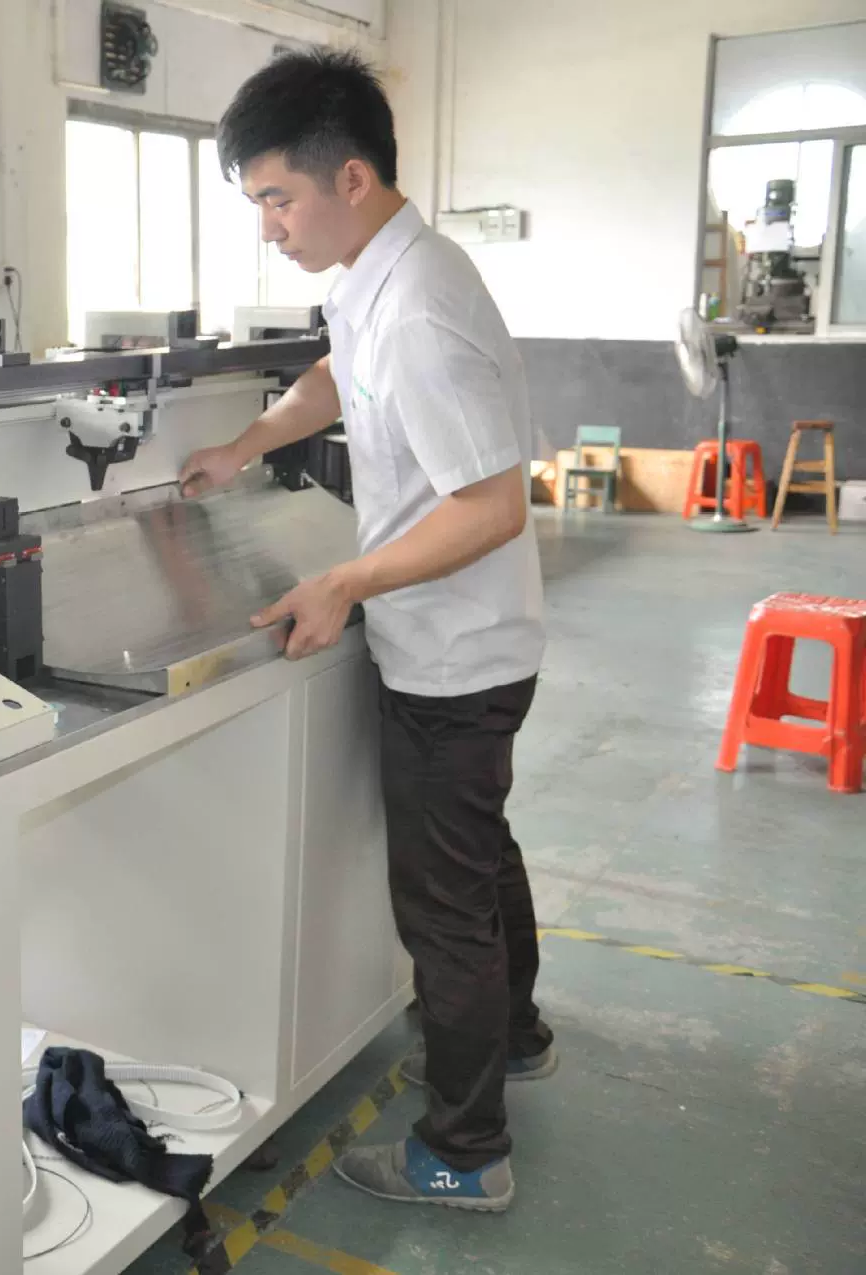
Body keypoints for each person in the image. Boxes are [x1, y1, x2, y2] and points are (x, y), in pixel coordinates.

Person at [179, 48, 552, 1214]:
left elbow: (492, 508)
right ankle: (519, 1033)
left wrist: (343, 582)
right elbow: (338, 377)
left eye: (277, 199)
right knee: (480, 856)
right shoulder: (380, 276)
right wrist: (246, 443)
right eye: (256, 204)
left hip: (454, 654)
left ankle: (465, 1152)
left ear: (350, 177)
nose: (268, 227)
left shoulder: (422, 310)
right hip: (473, 643)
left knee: (443, 906)